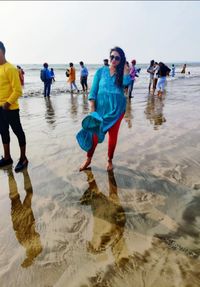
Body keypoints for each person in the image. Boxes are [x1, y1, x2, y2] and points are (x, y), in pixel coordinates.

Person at [77, 46, 131, 171]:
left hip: (117, 112)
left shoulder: (121, 73)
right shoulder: (101, 71)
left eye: (117, 58)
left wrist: (126, 71)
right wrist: (92, 108)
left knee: (113, 137)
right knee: (93, 136)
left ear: (121, 60)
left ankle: (109, 160)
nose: (114, 60)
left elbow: (126, 84)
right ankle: (88, 159)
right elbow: (93, 91)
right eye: (112, 56)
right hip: (100, 112)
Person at [0, 41, 28, 172]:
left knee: (18, 132)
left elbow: (17, 90)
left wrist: (7, 104)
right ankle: (7, 157)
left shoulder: (10, 68)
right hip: (0, 109)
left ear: (2, 52)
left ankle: (23, 158)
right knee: (3, 132)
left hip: (10, 108)